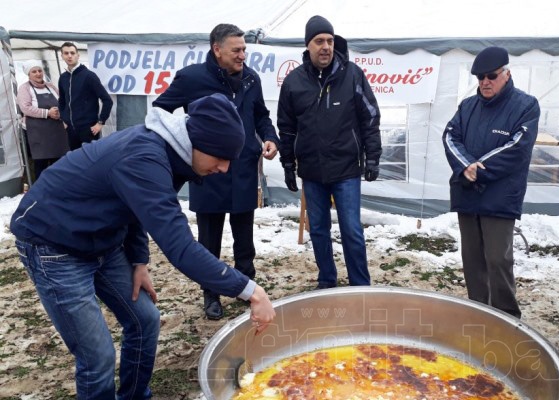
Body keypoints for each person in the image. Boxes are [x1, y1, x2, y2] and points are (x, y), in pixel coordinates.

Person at [11, 93, 276, 400]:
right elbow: (181, 248)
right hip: (53, 244)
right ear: (196, 142)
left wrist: (139, 261)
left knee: (145, 320)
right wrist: (251, 291)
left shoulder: (173, 153)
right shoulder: (144, 157)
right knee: (98, 356)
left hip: (102, 241)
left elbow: (135, 206)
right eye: (220, 157)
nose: (224, 168)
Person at [153, 23, 279, 320]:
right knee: (209, 239)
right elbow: (160, 111)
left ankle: (247, 284)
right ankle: (211, 293)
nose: (242, 56)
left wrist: (270, 137)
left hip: (244, 168)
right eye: (237, 50)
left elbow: (260, 114)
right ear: (217, 49)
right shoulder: (191, 78)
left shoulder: (250, 78)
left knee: (244, 237)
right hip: (208, 172)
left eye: (244, 49)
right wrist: (185, 147)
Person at [277, 15, 382, 289]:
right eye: (319, 41)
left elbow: (370, 117)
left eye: (330, 40)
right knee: (319, 231)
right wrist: (288, 164)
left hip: (346, 168)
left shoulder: (352, 74)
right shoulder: (294, 82)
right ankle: (327, 282)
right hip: (312, 171)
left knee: (351, 230)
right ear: (308, 46)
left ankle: (360, 285)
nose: (326, 46)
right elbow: (286, 128)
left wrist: (373, 156)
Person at [442, 46, 540, 319]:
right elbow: (450, 136)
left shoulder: (526, 105)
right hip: (467, 192)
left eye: (491, 76)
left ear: (506, 74)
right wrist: (466, 167)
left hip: (500, 195)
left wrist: (479, 169)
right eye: (480, 77)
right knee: (472, 261)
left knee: (498, 259)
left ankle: (507, 317)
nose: (485, 82)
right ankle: (479, 312)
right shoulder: (468, 106)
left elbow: (518, 147)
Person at [17, 60, 69, 180]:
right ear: (28, 74)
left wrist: (59, 114)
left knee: (60, 163)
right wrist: (47, 113)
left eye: (39, 70)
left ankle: (60, 190)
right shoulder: (24, 88)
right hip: (38, 134)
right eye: (34, 71)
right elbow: (25, 108)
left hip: (57, 132)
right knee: (41, 164)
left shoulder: (51, 87)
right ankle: (41, 193)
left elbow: (63, 103)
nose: (38, 73)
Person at [58, 41, 113, 150]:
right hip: (71, 130)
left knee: (90, 162)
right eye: (66, 53)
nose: (69, 56)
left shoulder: (89, 76)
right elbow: (62, 100)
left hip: (88, 129)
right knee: (75, 161)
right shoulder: (63, 77)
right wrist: (64, 120)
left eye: (72, 53)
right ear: (62, 56)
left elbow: (107, 100)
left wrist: (100, 122)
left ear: (78, 55)